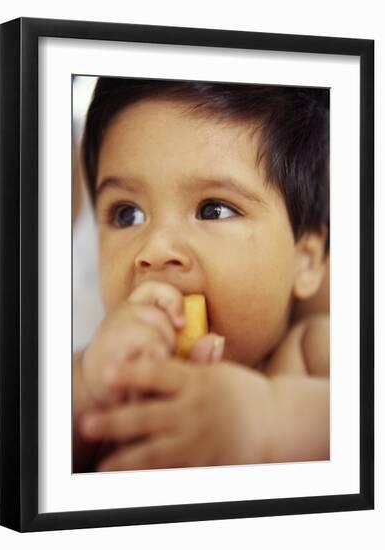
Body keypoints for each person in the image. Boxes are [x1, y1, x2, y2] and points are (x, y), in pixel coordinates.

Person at [73, 78, 330, 472]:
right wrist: (90, 390)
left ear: (306, 260)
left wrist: (265, 423)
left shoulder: (310, 352)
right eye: (127, 214)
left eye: (214, 209)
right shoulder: (101, 371)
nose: (155, 250)